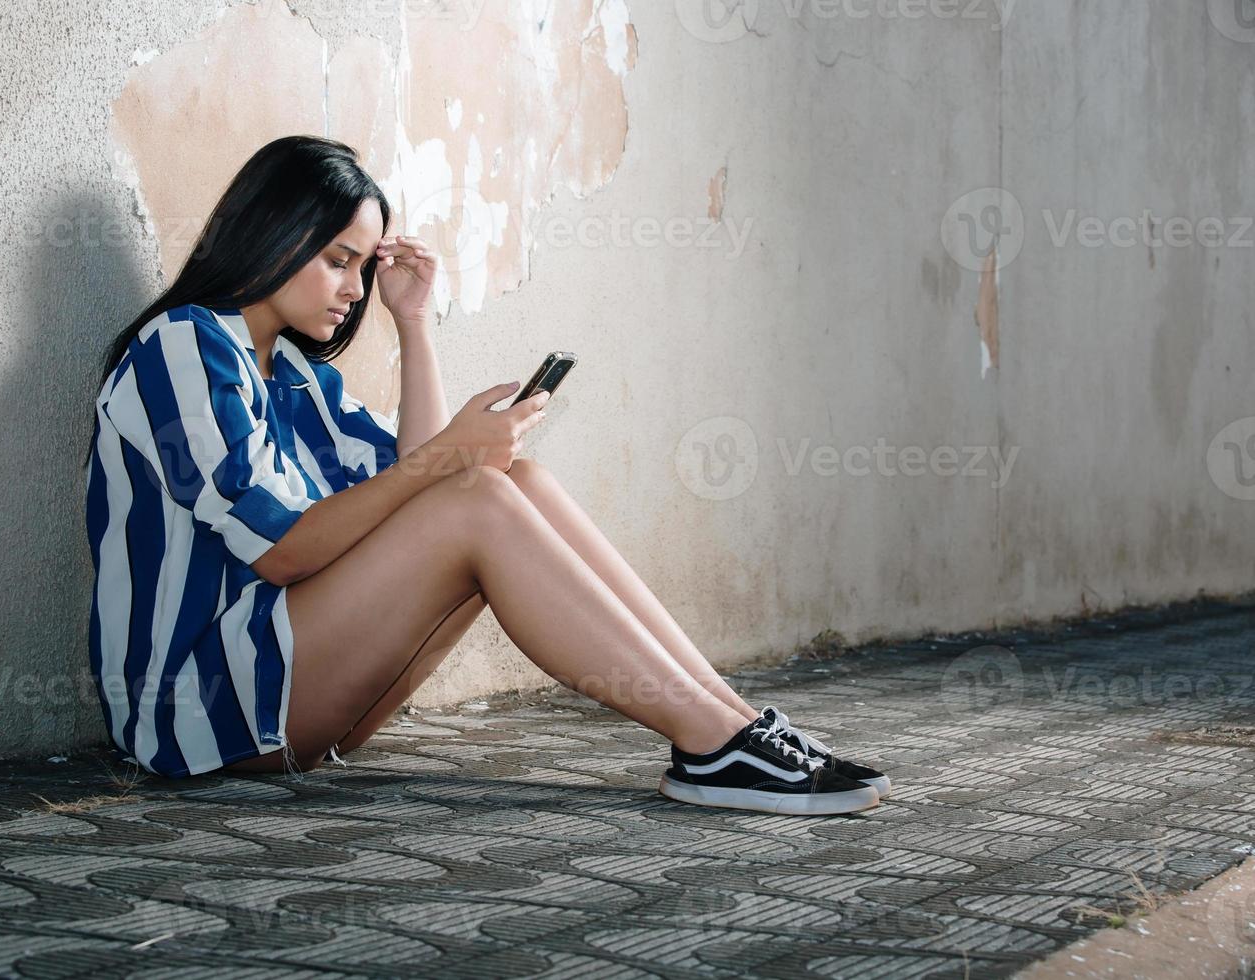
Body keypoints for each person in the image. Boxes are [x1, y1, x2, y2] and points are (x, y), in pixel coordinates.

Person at [83, 135, 891, 815]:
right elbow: (285, 552)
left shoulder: (289, 370)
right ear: (274, 233)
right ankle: (713, 745)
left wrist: (413, 320)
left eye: (364, 267)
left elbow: (413, 487)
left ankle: (732, 723)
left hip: (292, 694)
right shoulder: (186, 345)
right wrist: (453, 459)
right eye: (339, 261)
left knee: (517, 484)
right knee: (474, 496)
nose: (353, 289)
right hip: (196, 712)